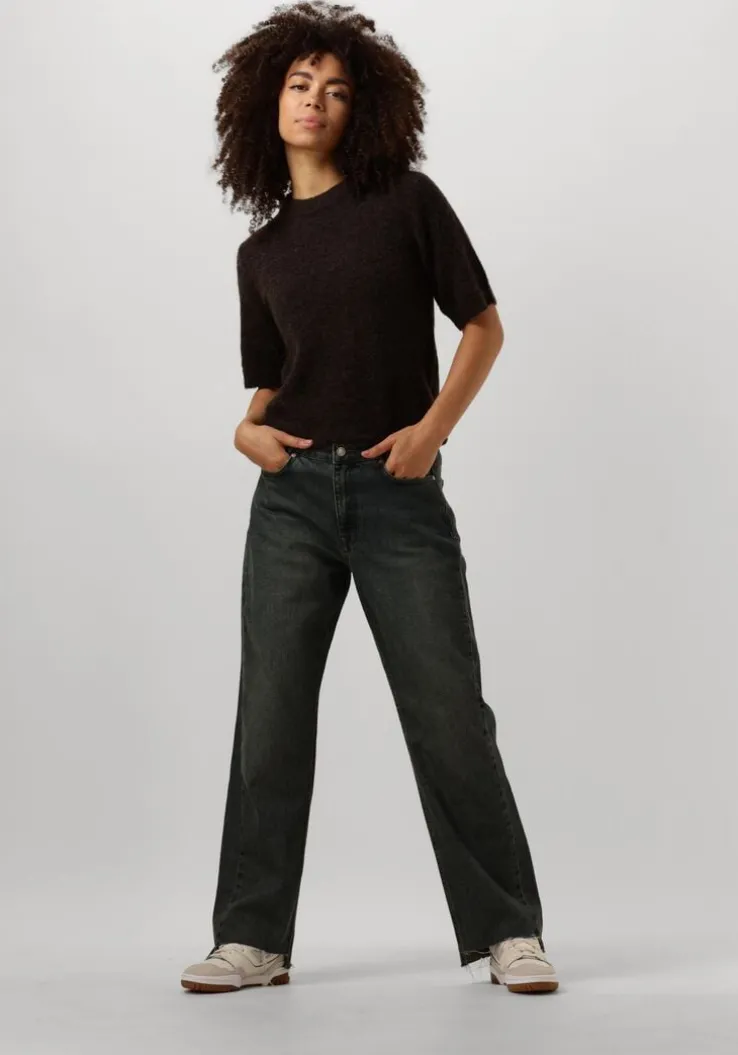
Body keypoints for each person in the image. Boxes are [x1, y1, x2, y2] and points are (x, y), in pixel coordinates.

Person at [181, 1, 558, 995]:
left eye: (338, 90)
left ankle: (509, 930)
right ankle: (251, 938)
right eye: (300, 84)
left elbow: (483, 326)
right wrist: (243, 431)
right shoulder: (260, 254)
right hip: (291, 501)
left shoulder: (405, 203)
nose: (316, 101)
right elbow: (272, 384)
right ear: (266, 101)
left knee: (448, 712)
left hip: (399, 495)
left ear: (364, 109)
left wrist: (432, 432)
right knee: (270, 717)